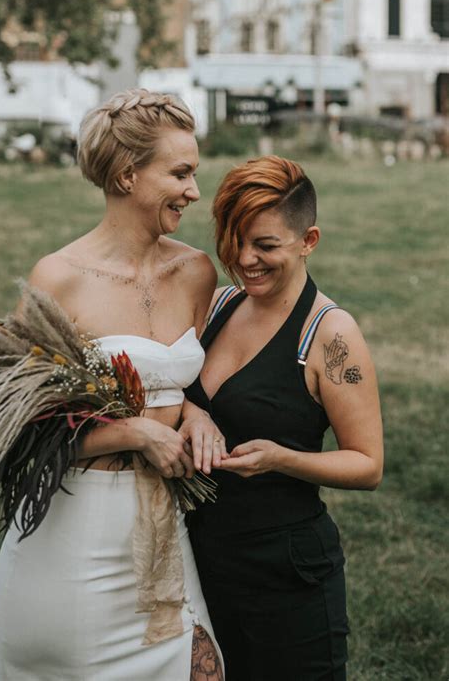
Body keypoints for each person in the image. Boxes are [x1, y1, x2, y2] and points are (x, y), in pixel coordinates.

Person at [0, 88, 225, 680]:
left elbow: (182, 382)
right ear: (127, 176)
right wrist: (136, 433)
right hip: (75, 538)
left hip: (161, 528)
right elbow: (17, 433)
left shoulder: (196, 272)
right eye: (180, 174)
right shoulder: (58, 278)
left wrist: (194, 413)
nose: (194, 191)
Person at [183, 156, 384, 681]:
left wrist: (281, 459)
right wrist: (191, 412)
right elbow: (172, 388)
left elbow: (368, 464)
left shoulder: (330, 335)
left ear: (307, 240)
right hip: (202, 563)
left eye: (265, 245)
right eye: (235, 240)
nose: (245, 259)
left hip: (288, 576)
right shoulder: (219, 306)